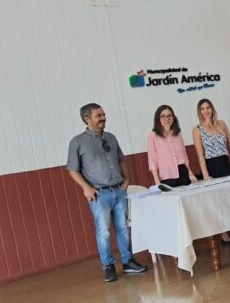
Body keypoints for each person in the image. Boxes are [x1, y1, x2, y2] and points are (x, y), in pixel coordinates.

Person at [67, 103, 148, 282]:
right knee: (103, 231)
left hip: (119, 190)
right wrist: (86, 188)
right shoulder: (77, 142)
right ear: (87, 119)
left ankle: (128, 262)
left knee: (123, 229)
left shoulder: (111, 137)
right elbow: (73, 169)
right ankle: (108, 266)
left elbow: (121, 160)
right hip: (99, 194)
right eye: (98, 116)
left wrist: (126, 180)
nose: (103, 118)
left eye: (103, 114)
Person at [192, 98, 230, 244]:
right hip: (211, 166)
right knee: (217, 201)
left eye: (208, 107)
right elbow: (200, 154)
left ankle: (229, 231)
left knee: (227, 199)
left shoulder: (221, 124)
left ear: (212, 109)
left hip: (225, 164)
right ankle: (223, 235)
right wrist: (205, 174)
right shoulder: (197, 130)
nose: (206, 111)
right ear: (199, 112)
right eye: (202, 109)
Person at [147, 105, 199, 187]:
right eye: (163, 116)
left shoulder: (178, 134)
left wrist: (190, 173)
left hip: (183, 173)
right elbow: (152, 160)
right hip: (166, 176)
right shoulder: (153, 135)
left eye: (169, 116)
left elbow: (184, 157)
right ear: (158, 119)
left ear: (173, 117)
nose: (166, 119)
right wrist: (156, 180)